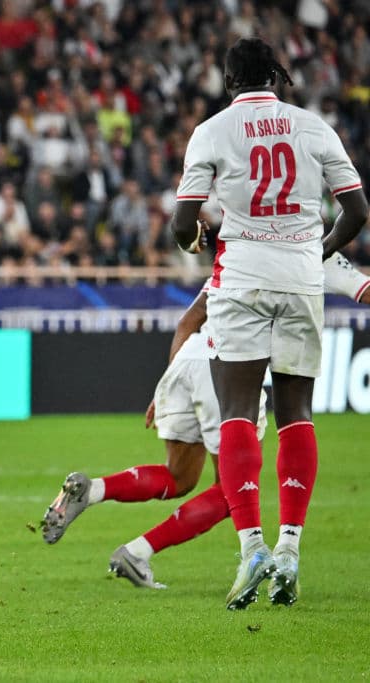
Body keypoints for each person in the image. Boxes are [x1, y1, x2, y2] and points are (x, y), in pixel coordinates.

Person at [170, 38, 367, 610]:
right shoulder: (314, 127)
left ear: (228, 80)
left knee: (237, 409)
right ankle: (290, 549)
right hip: (302, 279)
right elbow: (357, 212)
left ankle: (251, 546)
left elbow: (183, 222)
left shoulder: (211, 132)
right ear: (276, 77)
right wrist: (314, 250)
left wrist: (197, 240)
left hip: (242, 280)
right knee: (296, 412)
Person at [41, 252, 370, 590]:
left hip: (189, 356)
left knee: (179, 477)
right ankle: (138, 552)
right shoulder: (312, 251)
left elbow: (188, 321)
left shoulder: (238, 248)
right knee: (231, 492)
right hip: (228, 367)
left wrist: (168, 382)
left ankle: (93, 491)